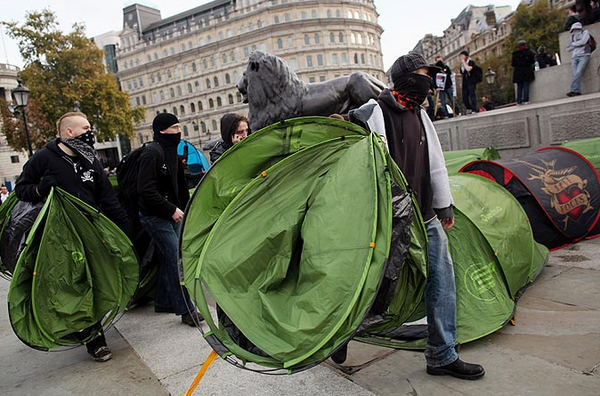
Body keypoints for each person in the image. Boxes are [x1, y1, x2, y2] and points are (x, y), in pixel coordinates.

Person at [349, 52, 485, 380]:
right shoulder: (375, 113)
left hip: (426, 217)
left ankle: (441, 353)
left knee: (441, 281)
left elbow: (435, 163)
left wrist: (444, 207)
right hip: (387, 223)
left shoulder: (421, 115)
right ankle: (342, 334)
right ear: (407, 77)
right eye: (425, 74)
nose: (429, 81)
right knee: (371, 285)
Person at [14, 111, 130, 362]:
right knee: (75, 285)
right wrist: (38, 189)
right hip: (59, 238)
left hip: (90, 232)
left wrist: (125, 228)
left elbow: (107, 197)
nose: (90, 132)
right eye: (86, 127)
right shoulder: (43, 158)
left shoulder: (91, 159)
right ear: (69, 132)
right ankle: (94, 339)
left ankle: (93, 330)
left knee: (96, 281)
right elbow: (22, 190)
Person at [137, 113, 203, 326]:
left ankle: (164, 300)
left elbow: (179, 185)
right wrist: (170, 209)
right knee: (176, 259)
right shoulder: (152, 153)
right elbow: (145, 190)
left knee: (170, 257)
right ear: (163, 130)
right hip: (155, 216)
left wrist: (184, 208)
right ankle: (187, 310)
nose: (179, 131)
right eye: (175, 127)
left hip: (171, 213)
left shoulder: (171, 152)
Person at [567, 22, 592, 97]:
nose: (575, 31)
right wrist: (577, 44)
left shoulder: (585, 32)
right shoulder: (572, 36)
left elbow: (583, 41)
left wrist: (574, 44)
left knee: (578, 72)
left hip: (584, 55)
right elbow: (568, 48)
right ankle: (577, 91)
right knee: (575, 74)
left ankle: (573, 90)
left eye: (576, 29)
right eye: (574, 29)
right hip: (574, 56)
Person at [511, 40, 536, 105]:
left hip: (518, 72)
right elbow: (532, 61)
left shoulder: (515, 54)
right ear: (525, 45)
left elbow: (513, 64)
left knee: (519, 86)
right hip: (527, 70)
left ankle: (519, 100)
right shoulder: (529, 52)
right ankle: (526, 100)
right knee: (526, 85)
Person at [459, 50, 479, 114]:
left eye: (462, 56)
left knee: (472, 95)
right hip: (465, 82)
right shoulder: (462, 65)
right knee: (464, 97)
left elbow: (468, 69)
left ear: (466, 56)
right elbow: (463, 73)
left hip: (471, 81)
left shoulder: (470, 62)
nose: (461, 57)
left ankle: (474, 109)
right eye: (460, 56)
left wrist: (464, 63)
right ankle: (469, 107)